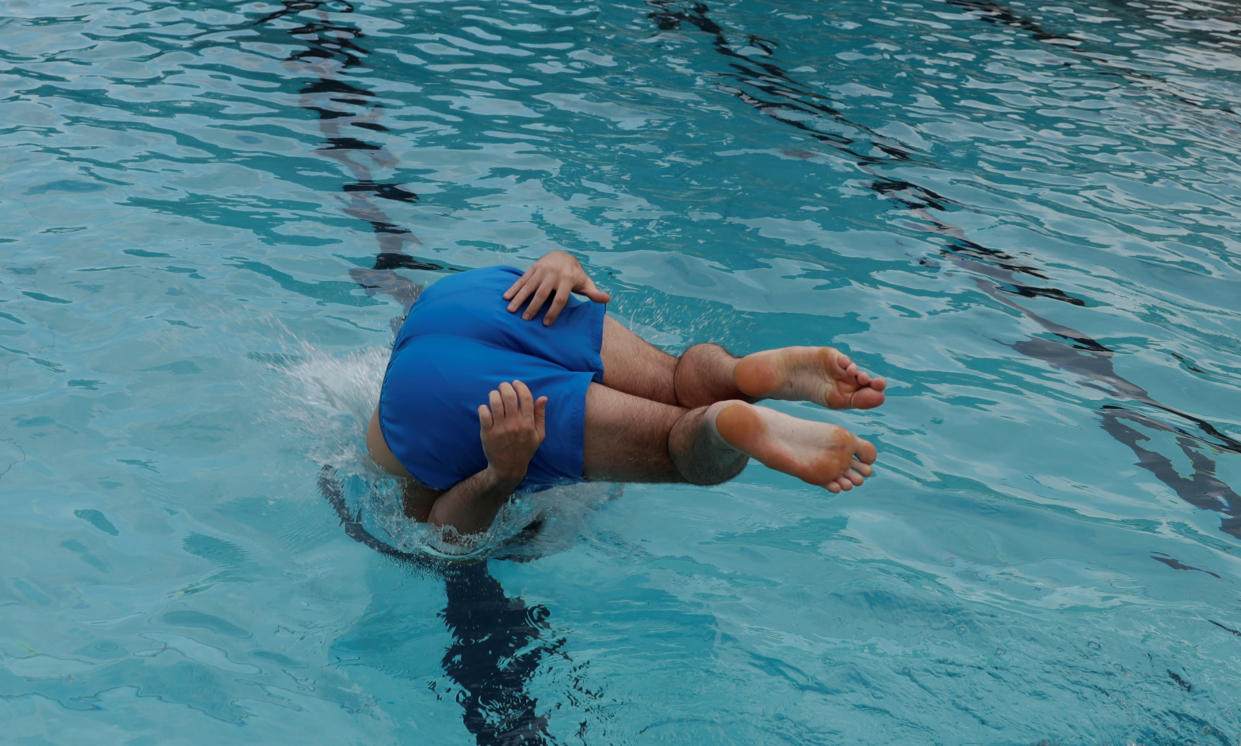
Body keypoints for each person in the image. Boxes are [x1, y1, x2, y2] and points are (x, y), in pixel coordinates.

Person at [367, 251, 885, 534]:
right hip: (487, 293)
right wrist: (562, 260)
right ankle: (737, 374)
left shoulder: (401, 421)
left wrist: (502, 474)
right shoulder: (423, 311)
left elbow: (441, 533)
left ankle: (723, 424)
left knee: (673, 447)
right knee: (678, 379)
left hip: (439, 395)